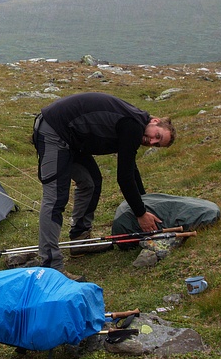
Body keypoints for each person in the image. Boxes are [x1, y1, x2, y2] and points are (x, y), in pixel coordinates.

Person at [32, 92, 175, 276]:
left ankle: (80, 240)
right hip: (54, 129)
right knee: (55, 199)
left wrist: (146, 206)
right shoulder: (133, 125)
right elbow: (124, 177)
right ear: (155, 121)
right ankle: (51, 266)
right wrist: (140, 213)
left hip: (72, 138)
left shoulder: (136, 124)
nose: (152, 141)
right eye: (157, 135)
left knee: (90, 182)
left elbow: (131, 169)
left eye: (157, 144)